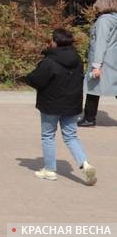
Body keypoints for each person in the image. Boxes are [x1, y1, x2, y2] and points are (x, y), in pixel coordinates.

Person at [25, 26, 97, 184]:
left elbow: (37, 79)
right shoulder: (77, 58)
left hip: (51, 104)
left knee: (48, 135)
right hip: (72, 104)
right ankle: (85, 164)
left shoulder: (49, 61)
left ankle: (50, 170)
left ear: (55, 42)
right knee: (71, 136)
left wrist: (26, 78)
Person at [82, 0, 117, 126]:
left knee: (93, 89)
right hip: (112, 60)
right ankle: (89, 117)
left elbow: (100, 43)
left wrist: (96, 65)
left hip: (103, 61)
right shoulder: (114, 18)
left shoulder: (104, 20)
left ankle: (89, 118)